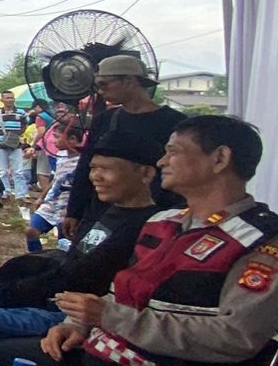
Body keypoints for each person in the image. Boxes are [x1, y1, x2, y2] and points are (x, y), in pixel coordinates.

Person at [0, 116, 278, 366]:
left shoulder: (263, 242)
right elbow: (124, 291)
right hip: (104, 353)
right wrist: (77, 324)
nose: (162, 161)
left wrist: (109, 318)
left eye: (174, 152)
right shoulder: (164, 222)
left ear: (220, 158)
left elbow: (236, 337)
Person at [0, 132, 162, 338]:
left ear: (146, 173)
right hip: (41, 298)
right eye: (93, 168)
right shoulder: (108, 212)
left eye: (107, 169)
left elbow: (70, 278)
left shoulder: (145, 227)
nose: (95, 176)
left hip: (64, 317)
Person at [61, 54, 186, 239]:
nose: (100, 91)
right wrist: (74, 210)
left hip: (153, 217)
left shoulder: (175, 124)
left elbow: (182, 174)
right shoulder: (105, 119)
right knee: (87, 254)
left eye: (104, 84)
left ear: (129, 81)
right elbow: (85, 165)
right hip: (102, 214)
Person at [23, 124, 84, 252]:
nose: (54, 141)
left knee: (65, 242)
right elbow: (56, 178)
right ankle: (37, 257)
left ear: (72, 139)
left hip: (68, 206)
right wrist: (42, 197)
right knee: (31, 231)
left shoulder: (83, 160)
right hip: (52, 202)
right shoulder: (61, 155)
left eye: (57, 137)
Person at [0, 90, 31, 201]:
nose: (10, 100)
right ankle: (5, 192)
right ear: (2, 100)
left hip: (16, 144)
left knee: (18, 171)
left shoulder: (21, 113)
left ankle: (21, 194)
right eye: (7, 98)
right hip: (0, 143)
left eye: (12, 98)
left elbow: (25, 127)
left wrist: (20, 137)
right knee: (2, 171)